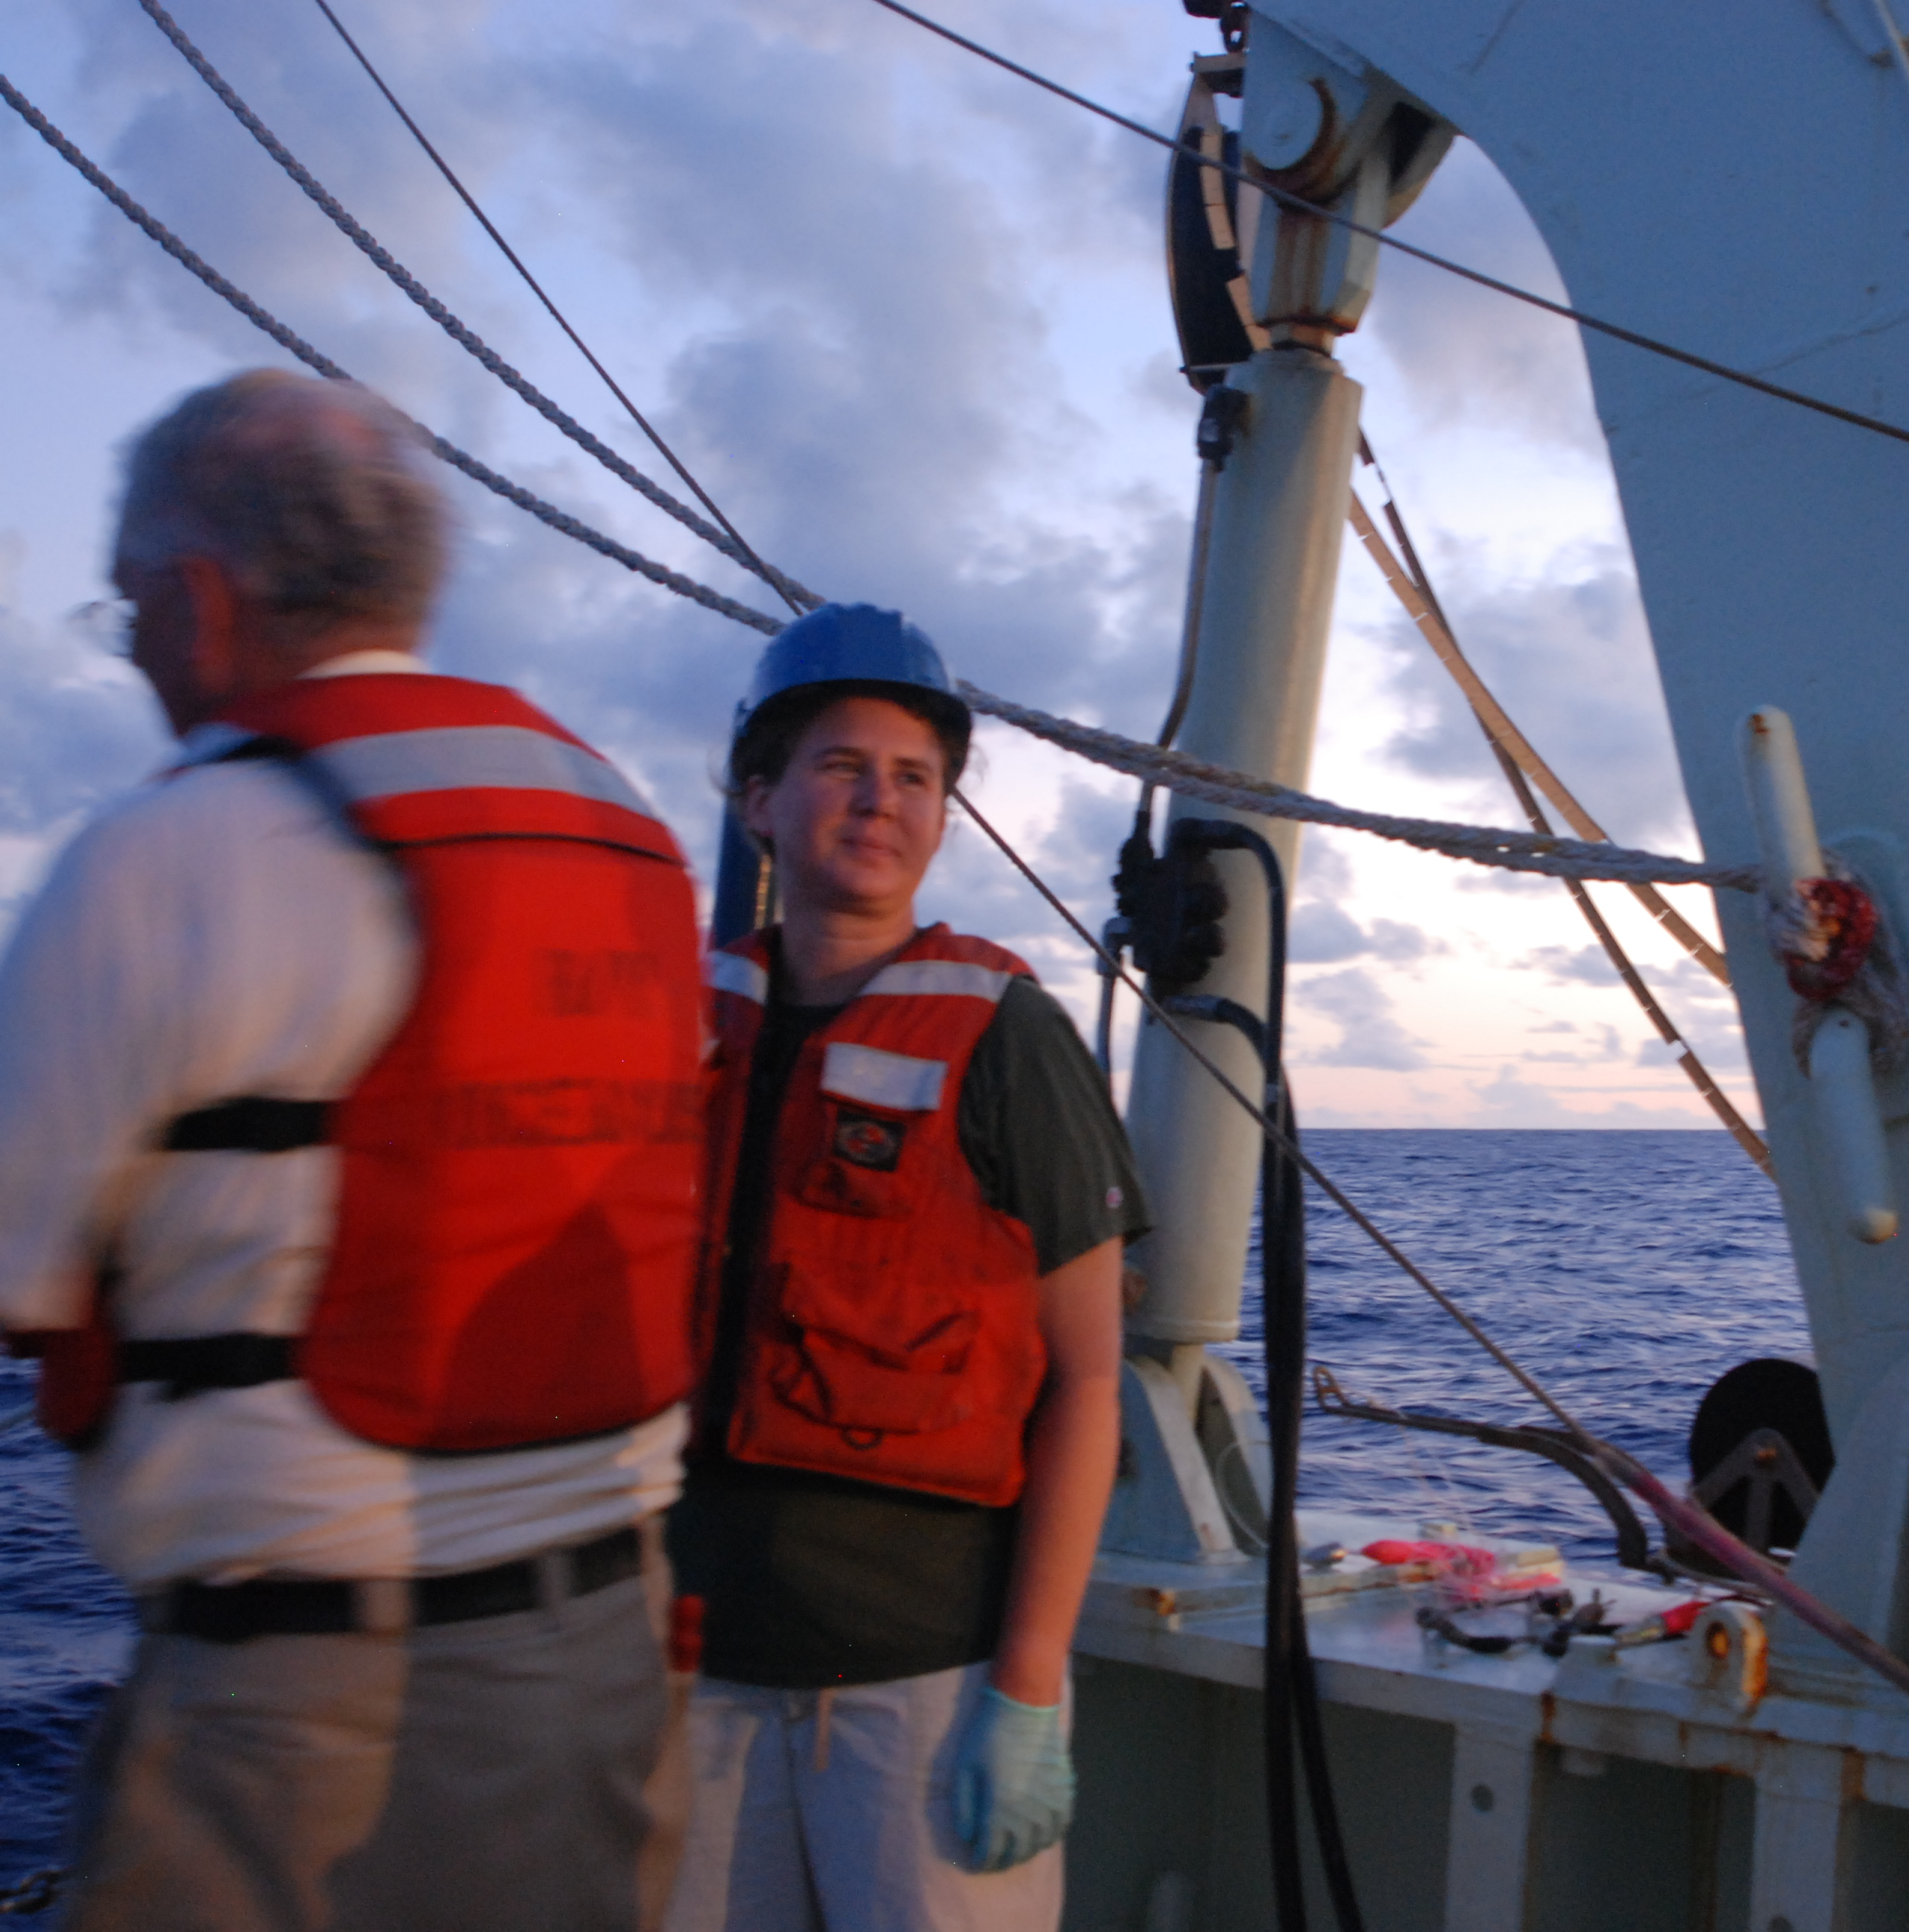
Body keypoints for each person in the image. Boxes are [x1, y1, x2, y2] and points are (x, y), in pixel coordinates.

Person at [0, 369, 707, 1930]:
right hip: (609, 1679)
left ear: (199, 601)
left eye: (127, 610)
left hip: (302, 1728)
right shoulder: (625, 831)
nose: (132, 651)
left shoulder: (166, 854)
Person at [666, 603, 1143, 1932]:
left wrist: (1028, 1687)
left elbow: (1088, 1380)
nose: (881, 800)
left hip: (923, 1685)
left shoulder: (1008, 1039)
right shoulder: (680, 1021)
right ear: (758, 801)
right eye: (841, 766)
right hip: (689, 1670)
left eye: (915, 777)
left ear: (943, 817)